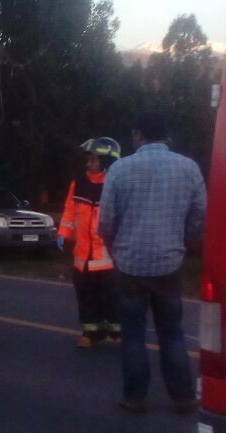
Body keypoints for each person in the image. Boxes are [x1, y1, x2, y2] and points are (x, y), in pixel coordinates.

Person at [99, 111, 207, 414]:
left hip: (129, 265)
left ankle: (135, 398)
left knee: (132, 333)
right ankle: (183, 396)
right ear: (166, 136)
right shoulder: (189, 168)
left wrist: (115, 249)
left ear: (138, 135)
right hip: (168, 264)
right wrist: (182, 241)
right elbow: (200, 217)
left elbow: (106, 221)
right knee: (171, 330)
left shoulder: (120, 169)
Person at [57, 137, 121, 349]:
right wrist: (63, 232)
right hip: (83, 254)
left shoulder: (115, 185)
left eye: (93, 160)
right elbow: (69, 210)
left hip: (108, 256)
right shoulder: (79, 182)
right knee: (86, 295)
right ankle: (90, 333)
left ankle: (116, 330)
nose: (88, 164)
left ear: (105, 162)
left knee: (111, 296)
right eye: (88, 160)